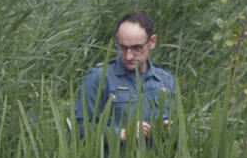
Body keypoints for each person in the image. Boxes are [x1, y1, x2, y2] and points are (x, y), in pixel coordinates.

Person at [74, 12, 177, 142]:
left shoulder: (165, 80)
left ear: (152, 42)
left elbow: (178, 125)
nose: (128, 56)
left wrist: (167, 128)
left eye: (136, 48)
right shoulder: (98, 78)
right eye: (122, 48)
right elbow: (80, 127)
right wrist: (122, 134)